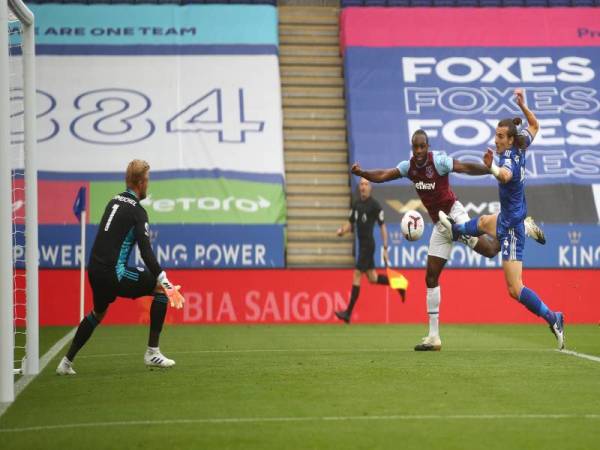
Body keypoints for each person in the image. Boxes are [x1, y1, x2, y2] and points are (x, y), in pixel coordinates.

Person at [350, 128, 546, 351]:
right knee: (431, 277)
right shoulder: (409, 167)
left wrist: (490, 169)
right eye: (416, 147)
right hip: (440, 225)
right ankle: (434, 337)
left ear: (428, 147)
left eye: (423, 146)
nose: (419, 150)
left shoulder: (439, 162)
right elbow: (385, 175)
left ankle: (520, 224)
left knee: (491, 251)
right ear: (412, 148)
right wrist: (363, 173)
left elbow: (463, 167)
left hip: (454, 214)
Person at [439, 88, 564, 349]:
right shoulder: (521, 142)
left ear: (508, 141)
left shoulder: (509, 159)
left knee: (515, 289)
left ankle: (553, 317)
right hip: (510, 216)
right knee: (484, 221)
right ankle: (456, 229)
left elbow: (505, 176)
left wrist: (491, 167)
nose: (495, 140)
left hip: (510, 227)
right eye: (495, 135)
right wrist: (523, 105)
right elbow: (534, 124)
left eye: (499, 137)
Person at [56, 159, 184, 375]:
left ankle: (66, 363)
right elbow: (146, 252)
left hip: (94, 270)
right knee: (160, 290)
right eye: (148, 181)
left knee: (98, 313)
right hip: (114, 273)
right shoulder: (138, 213)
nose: (148, 185)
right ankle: (152, 352)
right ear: (141, 182)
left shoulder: (113, 201)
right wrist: (166, 281)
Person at [334, 177, 404, 324]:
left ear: (370, 187)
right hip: (362, 245)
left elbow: (383, 227)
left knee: (357, 274)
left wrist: (385, 248)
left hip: (368, 246)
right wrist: (342, 230)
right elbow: (350, 223)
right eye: (361, 184)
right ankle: (399, 283)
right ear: (359, 187)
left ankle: (347, 313)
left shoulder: (374, 205)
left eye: (366, 184)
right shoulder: (356, 204)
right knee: (373, 278)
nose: (363, 187)